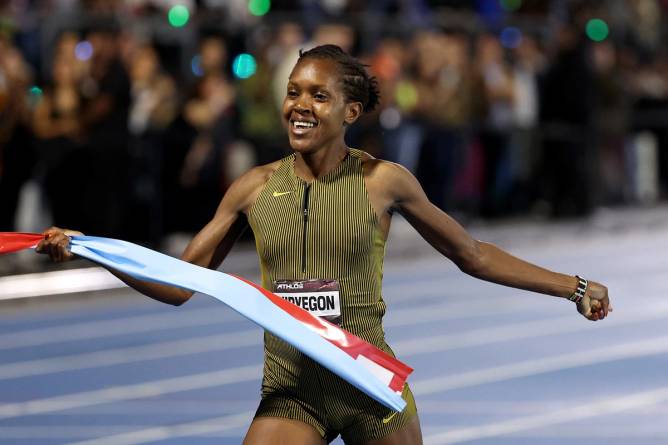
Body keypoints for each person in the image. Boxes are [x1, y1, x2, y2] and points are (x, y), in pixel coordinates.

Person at [37, 44, 611, 445]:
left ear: (350, 111)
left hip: (369, 387)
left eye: (318, 95)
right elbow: (179, 284)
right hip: (291, 391)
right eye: (293, 93)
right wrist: (92, 249)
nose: (299, 105)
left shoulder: (384, 182)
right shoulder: (253, 189)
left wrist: (574, 286)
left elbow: (473, 254)